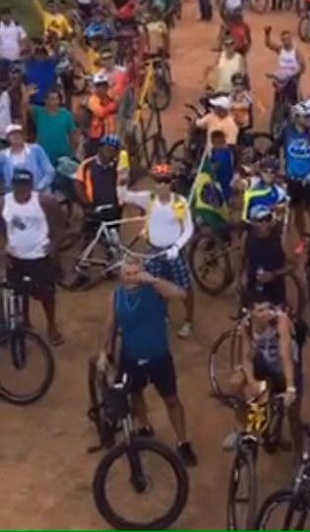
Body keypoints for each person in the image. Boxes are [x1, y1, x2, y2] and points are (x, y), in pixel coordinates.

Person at [97, 259, 198, 466]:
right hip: (131, 356)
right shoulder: (116, 296)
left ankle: (182, 442)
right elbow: (109, 325)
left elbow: (181, 294)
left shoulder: (156, 290)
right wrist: (103, 352)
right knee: (135, 393)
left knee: (171, 399)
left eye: (136, 273)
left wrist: (152, 280)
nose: (132, 278)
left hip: (159, 356)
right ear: (121, 276)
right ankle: (144, 426)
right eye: (128, 274)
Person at [119, 163, 195, 338]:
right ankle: (162, 313)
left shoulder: (179, 202)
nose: (162, 185)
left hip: (173, 252)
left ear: (172, 182)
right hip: (154, 251)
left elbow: (189, 228)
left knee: (185, 287)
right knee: (155, 285)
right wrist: (121, 182)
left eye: (166, 181)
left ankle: (189, 320)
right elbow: (124, 197)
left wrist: (177, 247)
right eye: (158, 181)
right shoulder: (149, 199)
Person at [229, 296, 304, 457]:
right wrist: (251, 382)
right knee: (239, 385)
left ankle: (300, 454)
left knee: (293, 415)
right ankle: (245, 431)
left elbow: (285, 355)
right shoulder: (247, 325)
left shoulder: (280, 321)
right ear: (251, 312)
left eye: (268, 308)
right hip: (265, 366)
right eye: (260, 310)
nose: (267, 313)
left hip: (286, 368)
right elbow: (246, 357)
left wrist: (290, 387)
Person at [0, 169, 65, 345]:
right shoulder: (4, 202)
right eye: (18, 185)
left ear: (31, 185)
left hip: (40, 257)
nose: (22, 189)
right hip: (15, 258)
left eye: (25, 185)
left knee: (47, 294)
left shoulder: (45, 201)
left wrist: (54, 243)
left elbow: (61, 221)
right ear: (13, 185)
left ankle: (52, 325)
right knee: (18, 294)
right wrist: (4, 248)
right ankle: (25, 324)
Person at [276, 103, 310, 253]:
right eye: (306, 117)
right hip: (293, 180)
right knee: (298, 212)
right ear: (296, 118)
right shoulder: (287, 131)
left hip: (309, 180)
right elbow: (276, 146)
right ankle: (303, 240)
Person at [241, 205, 294, 306]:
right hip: (252, 288)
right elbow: (241, 258)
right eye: (260, 220)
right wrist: (238, 279)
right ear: (253, 223)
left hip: (275, 292)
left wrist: (274, 274)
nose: (264, 224)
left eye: (267, 219)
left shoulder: (281, 239)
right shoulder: (246, 237)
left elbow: (293, 264)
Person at [26, 88, 78, 166]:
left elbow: (73, 136)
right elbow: (24, 106)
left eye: (56, 99)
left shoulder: (66, 115)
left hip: (63, 156)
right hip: (43, 156)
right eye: (51, 99)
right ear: (45, 100)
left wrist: (72, 154)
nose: (54, 102)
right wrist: (27, 94)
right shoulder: (39, 112)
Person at [0, 123, 55, 192]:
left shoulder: (36, 149)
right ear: (8, 138)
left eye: (19, 134)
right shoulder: (3, 156)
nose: (16, 136)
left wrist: (39, 187)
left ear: (23, 136)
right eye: (12, 135)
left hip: (39, 192)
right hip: (15, 195)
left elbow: (50, 172)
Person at [264, 27, 305, 107]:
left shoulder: (296, 52)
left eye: (288, 39)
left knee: (294, 103)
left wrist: (295, 74)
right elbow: (268, 44)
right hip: (280, 81)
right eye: (284, 39)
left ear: (291, 39)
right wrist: (267, 34)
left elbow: (302, 67)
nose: (286, 41)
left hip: (292, 81)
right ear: (281, 41)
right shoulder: (280, 49)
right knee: (278, 101)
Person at [241, 156, 289, 223]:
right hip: (250, 222)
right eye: (265, 171)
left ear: (276, 174)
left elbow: (284, 209)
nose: (268, 174)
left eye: (272, 172)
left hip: (270, 223)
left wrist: (278, 208)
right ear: (261, 172)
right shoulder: (252, 184)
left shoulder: (279, 191)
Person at [85, 72, 119, 157]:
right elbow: (101, 112)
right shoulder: (93, 100)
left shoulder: (108, 98)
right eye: (99, 86)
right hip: (96, 138)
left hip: (108, 137)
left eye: (104, 85)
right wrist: (113, 106)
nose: (102, 88)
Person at [0, 6, 27, 83]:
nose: (5, 17)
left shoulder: (16, 25)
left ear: (10, 15)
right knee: (4, 77)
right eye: (3, 15)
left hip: (16, 55)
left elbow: (24, 37)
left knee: (16, 76)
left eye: (7, 15)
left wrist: (23, 49)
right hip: (3, 56)